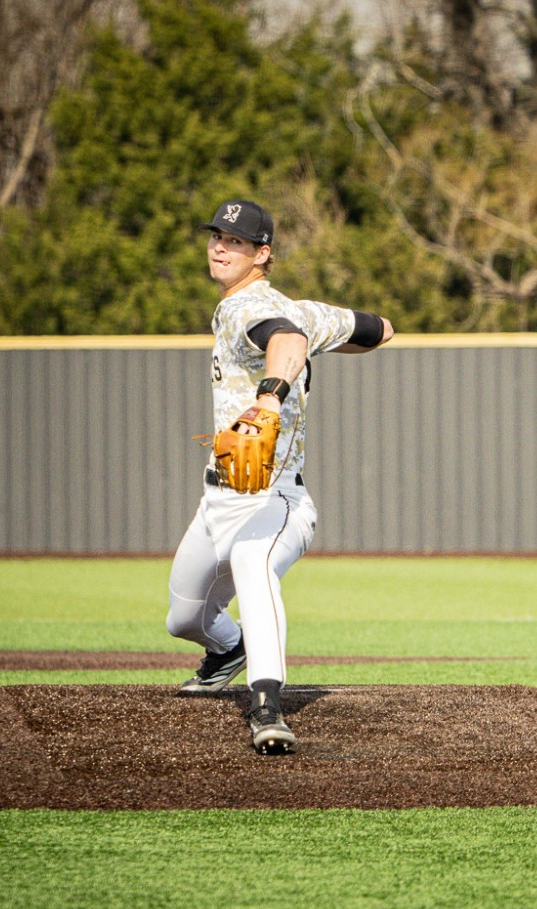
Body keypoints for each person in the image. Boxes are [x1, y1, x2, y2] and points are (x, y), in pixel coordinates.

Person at [166, 199, 394, 752]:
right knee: (184, 618)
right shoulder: (301, 310)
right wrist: (326, 331)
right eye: (216, 235)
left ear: (261, 254)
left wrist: (271, 395)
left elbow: (285, 340)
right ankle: (228, 650)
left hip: (275, 502)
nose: (220, 247)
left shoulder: (247, 309)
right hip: (217, 501)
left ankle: (266, 703)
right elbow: (381, 329)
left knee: (252, 563)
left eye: (236, 241)